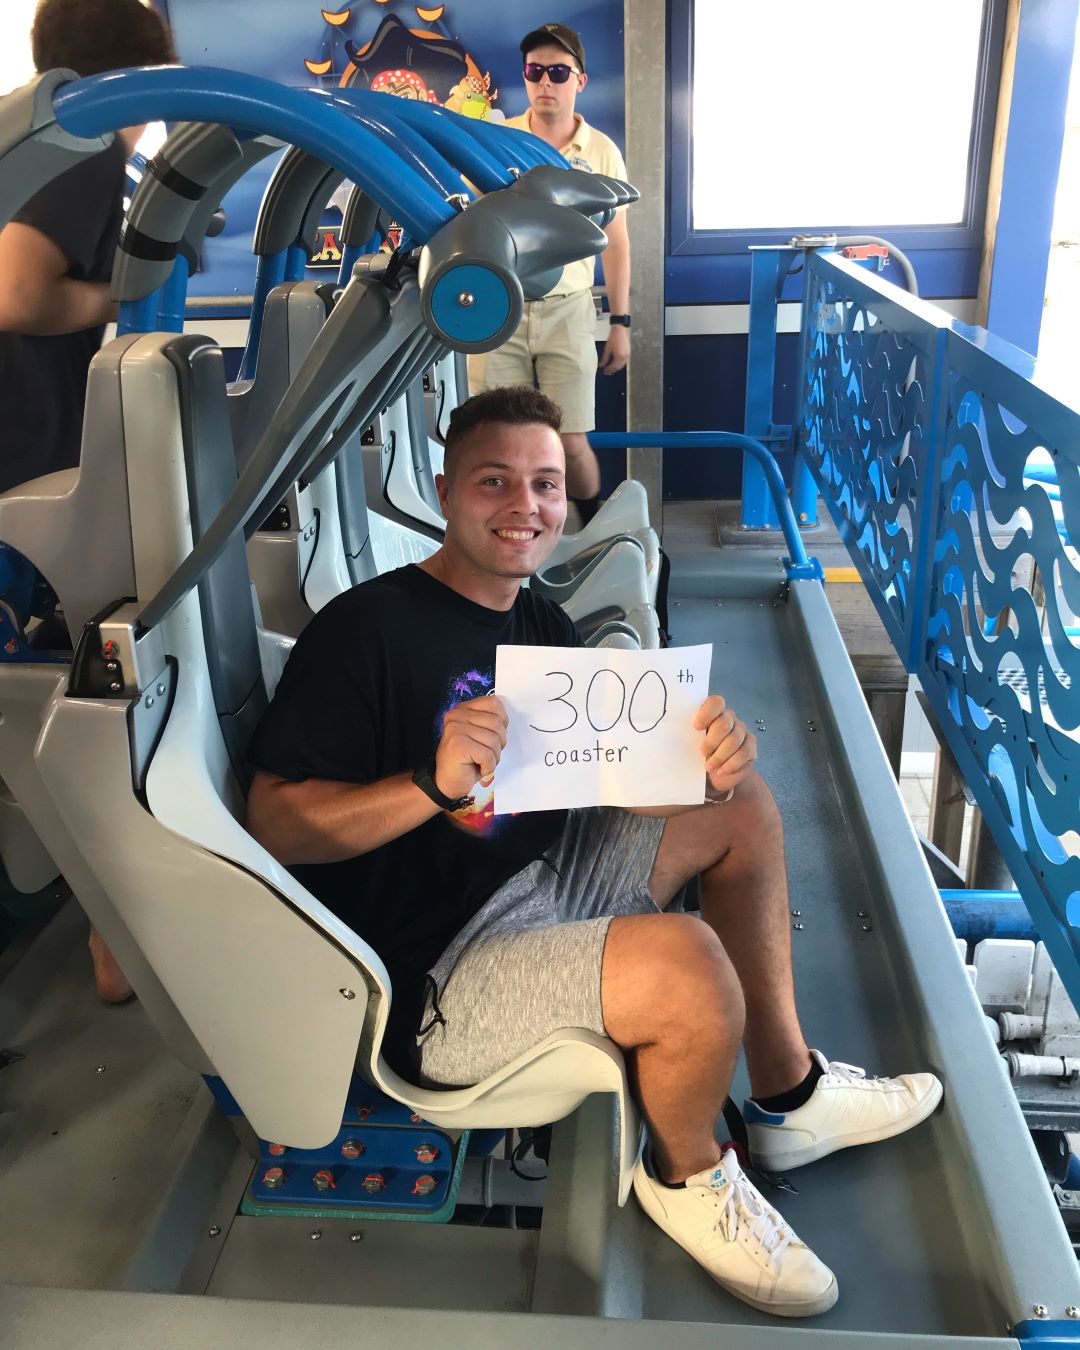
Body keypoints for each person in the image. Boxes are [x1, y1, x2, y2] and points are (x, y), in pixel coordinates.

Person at [246, 385, 942, 1318]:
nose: (525, 506)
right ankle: (686, 1174)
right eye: (494, 481)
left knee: (741, 808)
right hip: (437, 973)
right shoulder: (365, 631)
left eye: (543, 483)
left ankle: (790, 1097)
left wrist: (705, 768)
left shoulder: (537, 623)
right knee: (691, 968)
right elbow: (275, 823)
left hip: (541, 875)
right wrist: (429, 785)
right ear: (446, 493)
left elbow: (612, 779)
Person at [0, 0, 176, 999]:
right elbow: (16, 292)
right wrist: (125, 294)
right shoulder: (81, 147)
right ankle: (115, 936)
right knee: (90, 666)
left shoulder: (23, 142)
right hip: (22, 459)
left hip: (27, 448)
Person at [467, 23, 629, 527]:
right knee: (496, 440)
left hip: (570, 311)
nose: (545, 82)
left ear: (580, 80)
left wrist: (620, 322)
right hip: (502, 309)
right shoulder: (499, 142)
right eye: (535, 71)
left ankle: (591, 532)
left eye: (558, 72)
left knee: (570, 440)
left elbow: (617, 241)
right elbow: (471, 223)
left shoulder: (601, 151)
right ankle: (505, 537)